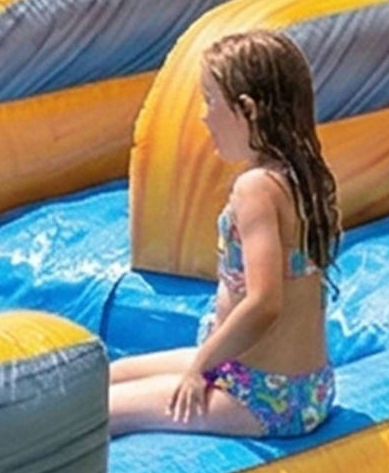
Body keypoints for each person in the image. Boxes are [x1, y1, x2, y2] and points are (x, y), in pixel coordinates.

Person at [108, 31, 341, 439]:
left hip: (263, 397)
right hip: (306, 387)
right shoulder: (304, 177)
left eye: (211, 100)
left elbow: (265, 302)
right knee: (110, 376)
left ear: (247, 109)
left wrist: (201, 367)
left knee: (97, 412)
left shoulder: (256, 188)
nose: (203, 115)